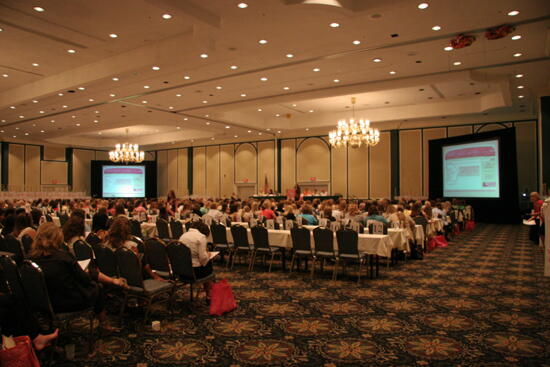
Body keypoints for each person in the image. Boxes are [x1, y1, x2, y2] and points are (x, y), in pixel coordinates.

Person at [28, 223, 112, 328]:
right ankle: (105, 324)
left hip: (45, 304)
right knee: (98, 288)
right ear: (57, 238)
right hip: (67, 302)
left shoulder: (30, 260)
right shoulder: (64, 258)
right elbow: (85, 280)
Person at [178, 222, 215, 300]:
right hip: (194, 272)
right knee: (208, 265)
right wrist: (208, 255)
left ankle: (208, 293)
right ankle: (209, 295)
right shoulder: (201, 237)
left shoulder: (183, 236)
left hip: (181, 270)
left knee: (206, 265)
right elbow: (203, 258)